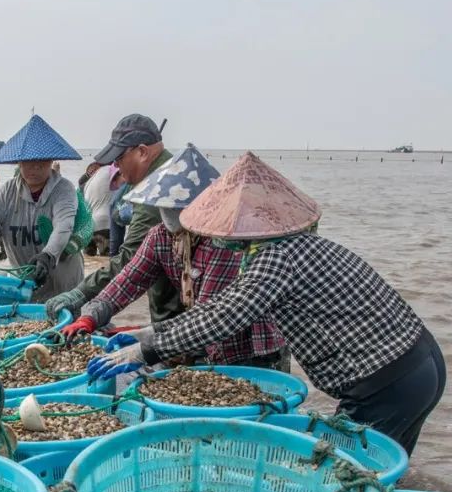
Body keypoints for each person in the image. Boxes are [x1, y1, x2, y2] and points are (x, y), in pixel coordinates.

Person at [88, 152, 446, 454]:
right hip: (420, 363)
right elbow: (218, 308)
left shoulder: (277, 257)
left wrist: (145, 349)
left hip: (387, 383)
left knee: (337, 477)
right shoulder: (299, 246)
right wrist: (146, 333)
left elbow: (223, 316)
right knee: (374, 473)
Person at [62, 144, 287, 369]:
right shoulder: (161, 236)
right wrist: (91, 315)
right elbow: (128, 280)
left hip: (251, 348)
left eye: (177, 207)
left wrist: (147, 336)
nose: (169, 213)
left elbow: (208, 318)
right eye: (163, 206)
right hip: (202, 338)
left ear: (203, 206)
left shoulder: (223, 242)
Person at [45, 114, 183, 325]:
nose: (116, 166)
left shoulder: (158, 190)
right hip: (174, 306)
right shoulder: (171, 169)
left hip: (179, 314)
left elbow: (131, 259)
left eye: (119, 158)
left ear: (143, 152)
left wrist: (81, 293)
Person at [0, 115, 84, 301]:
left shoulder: (64, 189)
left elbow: (64, 225)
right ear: (18, 162)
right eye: (28, 162)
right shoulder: (7, 192)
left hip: (62, 284)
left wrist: (48, 256)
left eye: (41, 161)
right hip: (23, 285)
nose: (35, 167)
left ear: (51, 161)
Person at [81, 162, 115, 256]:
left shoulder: (87, 185)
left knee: (88, 261)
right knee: (106, 261)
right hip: (104, 225)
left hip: (87, 229)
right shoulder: (110, 170)